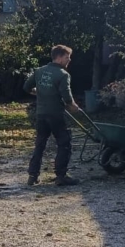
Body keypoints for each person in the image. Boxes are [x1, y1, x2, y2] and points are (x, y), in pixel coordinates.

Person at [23, 45, 82, 186]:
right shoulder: (63, 74)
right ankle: (61, 176)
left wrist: (37, 92)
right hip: (56, 115)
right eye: (67, 57)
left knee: (40, 144)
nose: (69, 60)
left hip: (41, 115)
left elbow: (26, 87)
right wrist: (73, 106)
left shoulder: (39, 71)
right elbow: (67, 97)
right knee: (64, 143)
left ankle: (33, 175)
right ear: (59, 57)